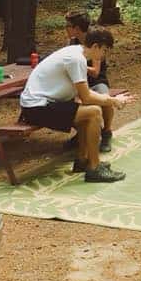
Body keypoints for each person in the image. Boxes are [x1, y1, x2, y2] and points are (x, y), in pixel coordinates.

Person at [19, 28, 132, 183]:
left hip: (46, 104)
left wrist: (108, 99)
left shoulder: (76, 53)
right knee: (94, 113)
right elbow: (86, 97)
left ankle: (82, 160)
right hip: (37, 107)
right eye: (104, 50)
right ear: (96, 46)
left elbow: (81, 94)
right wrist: (113, 100)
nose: (104, 55)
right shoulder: (76, 59)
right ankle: (94, 168)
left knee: (89, 114)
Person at [64, 10, 110, 95]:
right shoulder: (72, 41)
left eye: (68, 25)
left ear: (77, 28)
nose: (65, 28)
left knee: (104, 98)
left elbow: (95, 72)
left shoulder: (94, 41)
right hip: (78, 83)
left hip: (96, 83)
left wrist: (76, 65)